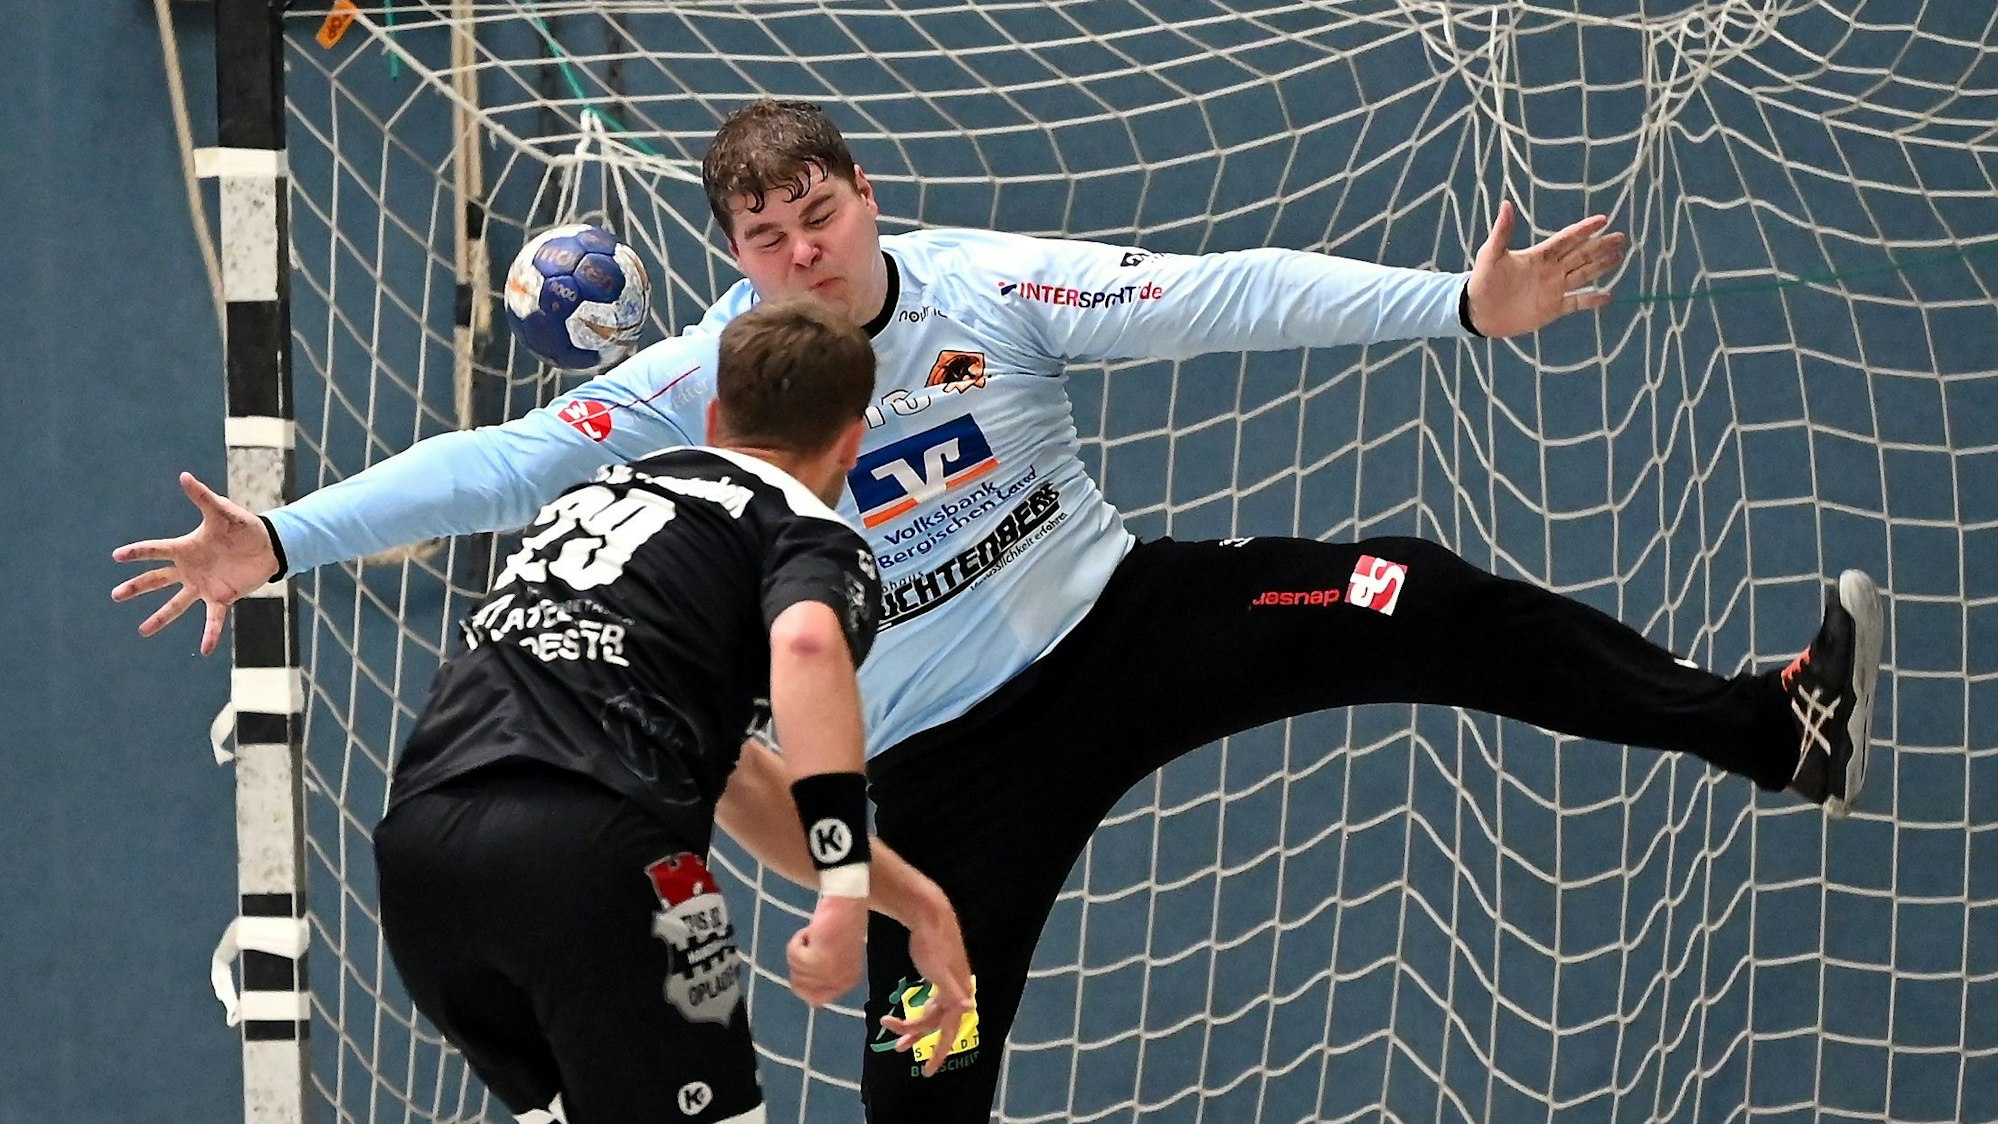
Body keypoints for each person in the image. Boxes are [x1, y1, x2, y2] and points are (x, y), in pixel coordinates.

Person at [112, 100, 1881, 1123]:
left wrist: (1457, 308)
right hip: (938, 793)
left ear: (861, 200)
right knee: (923, 1073)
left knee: (1400, 594)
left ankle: (1763, 723)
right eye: (765, 233)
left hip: (1119, 627)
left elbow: (1216, 293)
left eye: (818, 213)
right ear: (734, 252)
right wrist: (275, 544)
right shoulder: (692, 377)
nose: (798, 250)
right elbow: (499, 463)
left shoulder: (985, 287)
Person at [344, 298, 974, 1123]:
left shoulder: (602, 494)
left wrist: (919, 904)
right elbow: (811, 648)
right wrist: (844, 891)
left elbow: (736, 772)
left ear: (715, 418)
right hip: (594, 859)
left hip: (422, 860)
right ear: (853, 441)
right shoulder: (799, 531)